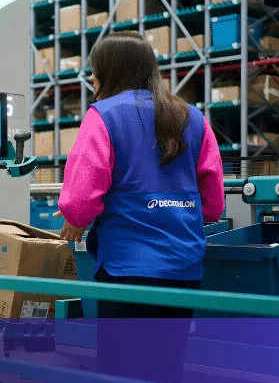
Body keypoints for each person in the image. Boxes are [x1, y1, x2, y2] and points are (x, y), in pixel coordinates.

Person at [54, 31, 225, 382]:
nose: (91, 78)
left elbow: (80, 199)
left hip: (126, 270)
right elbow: (213, 205)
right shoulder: (193, 117)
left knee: (122, 370)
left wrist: (76, 218)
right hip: (183, 268)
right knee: (166, 369)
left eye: (95, 70)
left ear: (112, 70)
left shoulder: (104, 115)